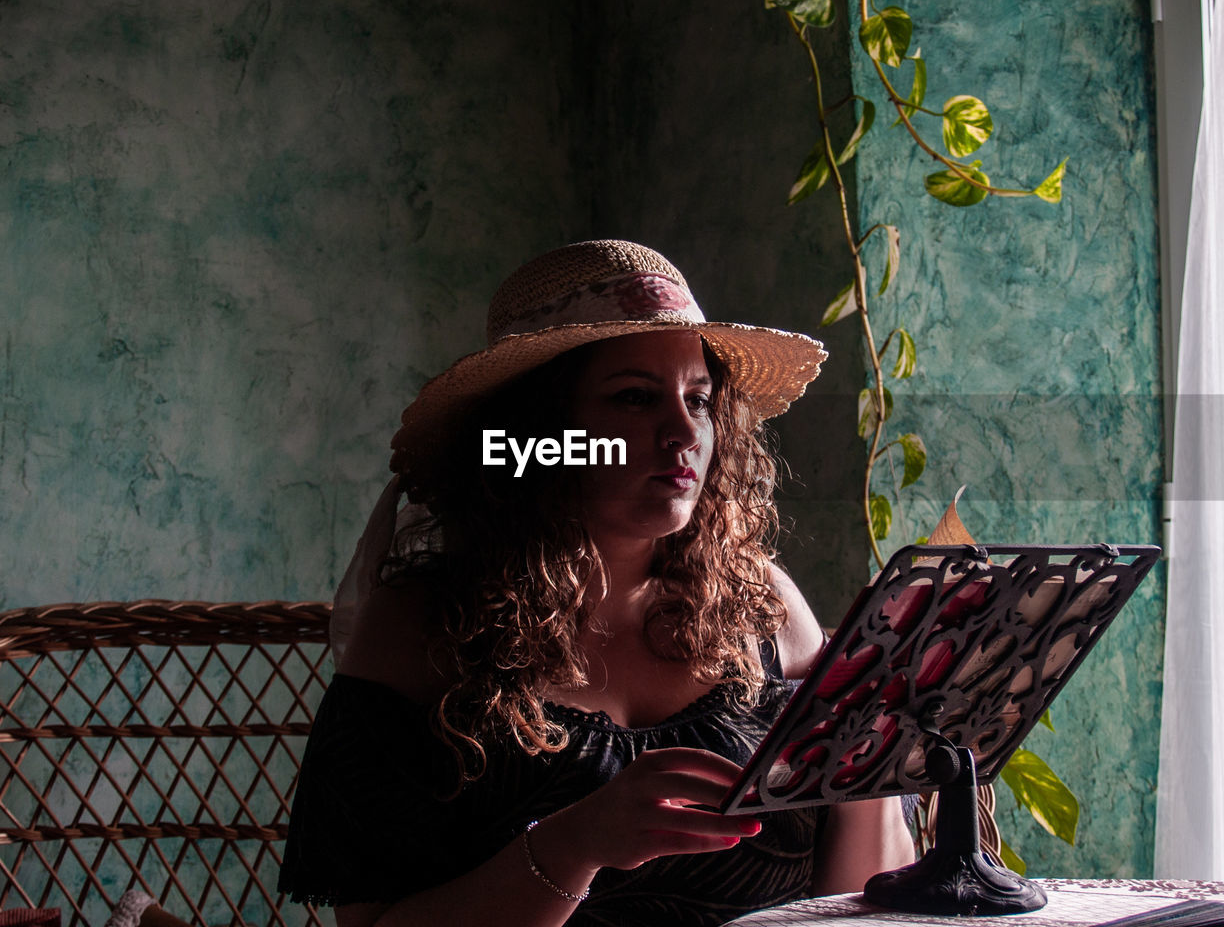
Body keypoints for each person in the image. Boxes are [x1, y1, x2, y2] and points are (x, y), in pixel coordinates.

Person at [279, 240, 915, 927]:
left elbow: (853, 906)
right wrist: (573, 846)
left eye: (699, 400)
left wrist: (866, 746)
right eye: (636, 398)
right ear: (536, 432)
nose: (682, 432)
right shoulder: (422, 629)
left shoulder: (764, 606)